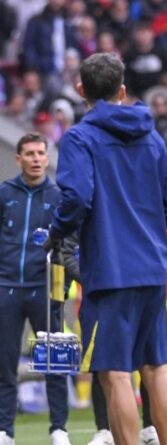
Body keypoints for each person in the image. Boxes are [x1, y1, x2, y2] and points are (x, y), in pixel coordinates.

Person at [45, 53, 167, 445]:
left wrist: (57, 232)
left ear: (80, 90)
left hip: (110, 271)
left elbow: (77, 198)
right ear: (122, 89)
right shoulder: (151, 135)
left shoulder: (79, 137)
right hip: (154, 267)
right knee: (158, 369)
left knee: (116, 374)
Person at [0, 133, 70, 445]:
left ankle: (59, 429)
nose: (37, 159)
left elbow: (69, 244)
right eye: (29, 153)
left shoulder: (59, 197)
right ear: (19, 159)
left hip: (45, 291)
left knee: (55, 362)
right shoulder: (4, 193)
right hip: (8, 288)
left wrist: (63, 286)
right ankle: (5, 431)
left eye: (41, 153)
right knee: (4, 363)